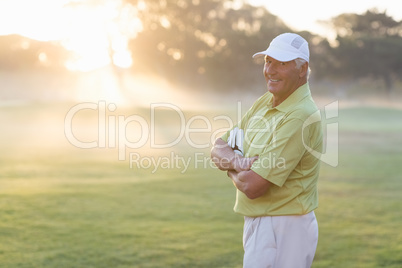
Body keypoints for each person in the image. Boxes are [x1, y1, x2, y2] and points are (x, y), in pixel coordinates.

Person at [211, 33, 323, 268]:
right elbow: (218, 147)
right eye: (268, 61)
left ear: (302, 69)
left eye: (281, 63)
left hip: (285, 227)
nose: (270, 70)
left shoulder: (300, 115)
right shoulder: (265, 102)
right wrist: (239, 163)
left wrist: (231, 167)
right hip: (260, 222)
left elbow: (253, 186)